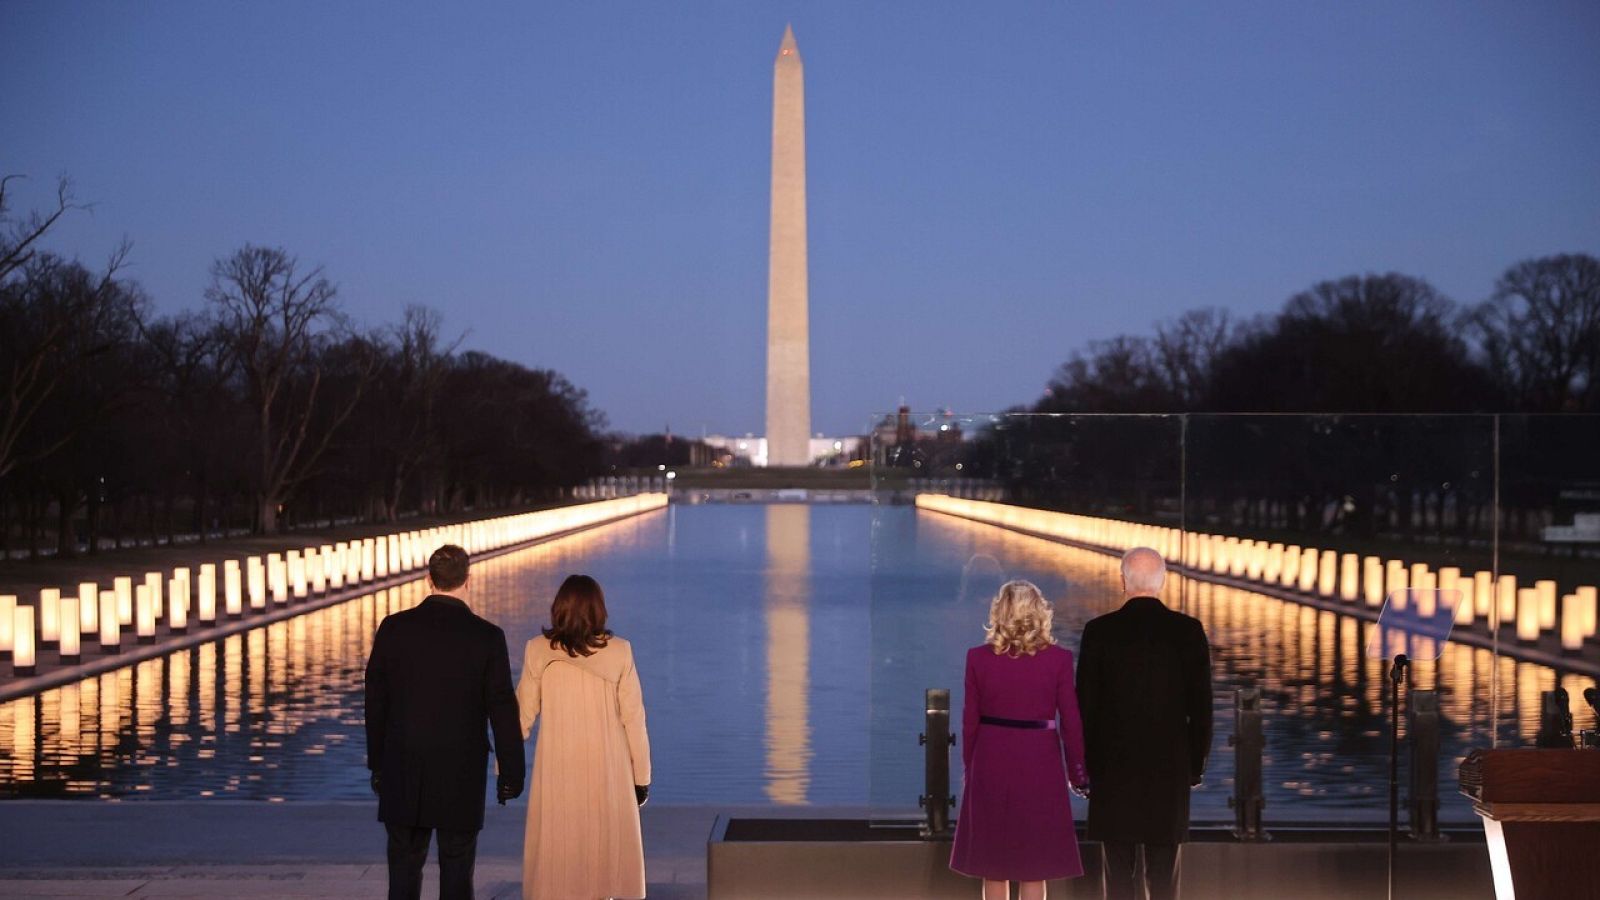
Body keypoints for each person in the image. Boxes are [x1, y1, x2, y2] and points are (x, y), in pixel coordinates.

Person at [364, 544, 525, 900]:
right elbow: (501, 707)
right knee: (457, 869)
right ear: (469, 580)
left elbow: (375, 702)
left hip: (403, 763)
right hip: (460, 768)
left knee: (403, 868)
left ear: (428, 580)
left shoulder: (393, 628)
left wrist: (377, 763)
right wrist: (512, 771)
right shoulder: (487, 636)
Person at [1077, 547, 1213, 900]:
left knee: (1117, 876)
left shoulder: (1098, 631)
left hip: (1113, 771)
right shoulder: (1189, 631)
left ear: (1122, 581)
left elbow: (1085, 707)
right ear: (1163, 582)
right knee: (1164, 876)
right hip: (1168, 770)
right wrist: (1195, 766)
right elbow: (1201, 709)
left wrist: (1084, 768)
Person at [950, 580, 1091, 900]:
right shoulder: (1058, 659)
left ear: (999, 612)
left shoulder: (978, 658)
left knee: (993, 862)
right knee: (1035, 862)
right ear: (1040, 613)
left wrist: (971, 765)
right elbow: (1071, 722)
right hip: (1040, 761)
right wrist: (1077, 772)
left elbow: (969, 721)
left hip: (991, 758)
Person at [516, 574, 651, 900]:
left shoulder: (537, 651)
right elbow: (634, 721)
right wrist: (641, 778)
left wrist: (504, 767)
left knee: (557, 850)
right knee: (604, 851)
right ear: (598, 610)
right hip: (608, 769)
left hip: (557, 769)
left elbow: (521, 717)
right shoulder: (619, 653)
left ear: (558, 609)